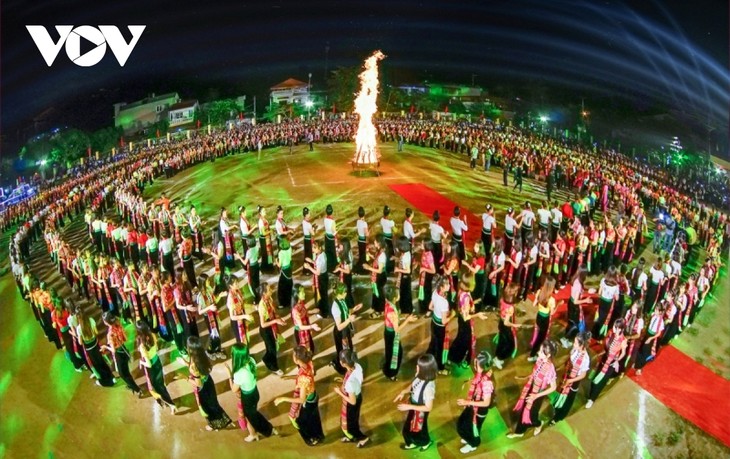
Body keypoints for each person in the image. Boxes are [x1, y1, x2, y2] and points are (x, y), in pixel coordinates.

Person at [274, 346, 325, 446]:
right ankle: (319, 436)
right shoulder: (309, 364)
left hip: (309, 402)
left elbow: (301, 400)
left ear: (297, 360)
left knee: (300, 422)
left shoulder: (303, 378)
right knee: (315, 418)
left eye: (293, 355)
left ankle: (311, 439)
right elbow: (307, 376)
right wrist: (292, 377)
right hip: (314, 396)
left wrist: (283, 398)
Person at [227, 343, 276, 441]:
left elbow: (234, 389)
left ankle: (262, 432)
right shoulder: (251, 360)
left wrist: (229, 374)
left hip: (247, 397)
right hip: (254, 392)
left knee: (251, 417)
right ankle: (265, 429)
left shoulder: (239, 372)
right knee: (253, 414)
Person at [508, 340, 557, 438]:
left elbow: (553, 387)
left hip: (538, 394)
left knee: (531, 415)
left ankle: (538, 424)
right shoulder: (540, 360)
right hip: (532, 388)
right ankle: (519, 432)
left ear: (548, 355)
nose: (538, 352)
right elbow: (536, 373)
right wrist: (525, 377)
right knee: (524, 411)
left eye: (541, 351)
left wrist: (536, 396)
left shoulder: (549, 369)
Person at [186, 336, 233, 431]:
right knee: (214, 403)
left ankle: (214, 424)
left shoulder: (193, 365)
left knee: (207, 407)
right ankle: (224, 420)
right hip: (209, 382)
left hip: (203, 389)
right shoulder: (202, 355)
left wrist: (185, 378)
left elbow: (199, 384)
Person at [395, 354, 438, 451]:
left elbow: (428, 407)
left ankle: (425, 443)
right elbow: (413, 385)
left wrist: (409, 406)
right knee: (408, 428)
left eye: (419, 366)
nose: (416, 367)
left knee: (417, 431)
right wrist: (403, 392)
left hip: (420, 411)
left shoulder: (429, 388)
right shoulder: (419, 376)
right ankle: (411, 443)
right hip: (413, 407)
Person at [456, 351, 495, 454]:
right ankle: (469, 438)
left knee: (472, 428)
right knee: (464, 424)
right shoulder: (483, 374)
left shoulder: (487, 382)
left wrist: (467, 401)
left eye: (476, 364)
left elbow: (486, 403)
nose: (474, 365)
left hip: (478, 410)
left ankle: (473, 444)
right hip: (473, 405)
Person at [136, 320, 177, 413]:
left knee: (154, 388)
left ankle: (170, 404)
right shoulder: (152, 335)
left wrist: (141, 362)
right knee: (161, 385)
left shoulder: (142, 346)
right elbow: (157, 348)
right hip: (157, 362)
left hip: (151, 369)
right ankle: (168, 402)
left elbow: (148, 364)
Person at [551, 332, 591, 424]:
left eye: (576, 343)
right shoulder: (575, 350)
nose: (574, 344)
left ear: (582, 345)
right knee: (561, 393)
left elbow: (583, 375)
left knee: (567, 400)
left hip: (573, 382)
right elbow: (569, 359)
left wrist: (571, 380)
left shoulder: (585, 359)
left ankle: (558, 417)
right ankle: (557, 409)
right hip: (567, 376)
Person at [586, 319, 627, 408]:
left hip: (610, 364)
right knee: (595, 379)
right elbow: (605, 343)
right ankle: (590, 395)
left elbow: (623, 353)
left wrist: (617, 359)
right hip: (604, 359)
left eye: (616, 327)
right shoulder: (610, 333)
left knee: (599, 383)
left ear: (620, 329)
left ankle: (592, 399)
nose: (613, 328)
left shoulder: (623, 340)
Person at [448, 274, 487, 367]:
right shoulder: (465, 297)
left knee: (461, 338)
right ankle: (457, 358)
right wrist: (478, 314)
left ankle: (452, 356)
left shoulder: (462, 290)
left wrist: (473, 302)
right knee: (465, 341)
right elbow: (466, 317)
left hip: (461, 320)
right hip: (465, 322)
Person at [334, 349, 370, 448]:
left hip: (352, 401)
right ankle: (351, 436)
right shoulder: (357, 366)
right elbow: (356, 380)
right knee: (353, 420)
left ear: (342, 363)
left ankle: (362, 438)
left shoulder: (350, 383)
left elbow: (352, 402)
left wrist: (339, 392)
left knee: (351, 425)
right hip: (357, 394)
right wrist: (344, 381)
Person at [103, 312, 142, 396]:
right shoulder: (119, 325)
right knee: (126, 371)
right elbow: (125, 338)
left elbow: (113, 350)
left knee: (122, 374)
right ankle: (130, 385)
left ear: (106, 322)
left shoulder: (110, 334)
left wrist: (105, 347)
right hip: (124, 350)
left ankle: (137, 389)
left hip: (118, 354)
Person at [75, 305, 115, 387]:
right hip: (95, 343)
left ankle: (106, 381)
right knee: (101, 360)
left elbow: (80, 342)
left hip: (89, 348)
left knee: (96, 364)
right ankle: (111, 376)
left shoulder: (79, 328)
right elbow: (96, 332)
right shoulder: (91, 320)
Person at [383, 286, 417, 381]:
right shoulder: (392, 311)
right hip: (392, 335)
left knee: (390, 352)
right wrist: (407, 320)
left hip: (387, 332)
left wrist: (400, 319)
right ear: (395, 298)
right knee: (396, 354)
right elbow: (397, 329)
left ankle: (388, 369)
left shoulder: (388, 303)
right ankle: (391, 373)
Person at [330, 283, 363, 374]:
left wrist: (354, 309)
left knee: (348, 349)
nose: (346, 294)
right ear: (340, 293)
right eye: (344, 292)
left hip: (346, 330)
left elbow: (346, 311)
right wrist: (349, 319)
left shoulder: (342, 300)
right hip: (341, 333)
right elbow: (339, 326)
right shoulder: (335, 307)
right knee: (343, 352)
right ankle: (343, 369)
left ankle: (350, 365)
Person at [426, 277, 455, 375]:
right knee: (440, 348)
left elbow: (430, 307)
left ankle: (428, 358)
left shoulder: (435, 292)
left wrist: (437, 311)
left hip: (433, 322)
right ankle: (440, 368)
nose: (449, 286)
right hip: (439, 327)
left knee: (433, 342)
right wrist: (452, 315)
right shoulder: (444, 302)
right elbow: (443, 321)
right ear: (442, 288)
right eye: (447, 285)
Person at [257, 283, 286, 375]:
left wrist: (279, 319)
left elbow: (273, 312)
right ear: (264, 293)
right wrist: (276, 321)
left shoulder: (269, 299)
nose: (271, 290)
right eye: (269, 289)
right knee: (272, 349)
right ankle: (273, 367)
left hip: (271, 326)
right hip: (266, 330)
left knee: (272, 347)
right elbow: (263, 324)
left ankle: (266, 358)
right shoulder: (262, 305)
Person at [493, 283, 524, 369]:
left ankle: (497, 357)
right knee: (510, 345)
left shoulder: (502, 299)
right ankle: (498, 358)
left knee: (502, 342)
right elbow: (507, 322)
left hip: (501, 322)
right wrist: (515, 325)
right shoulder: (510, 308)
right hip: (505, 326)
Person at [560, 266, 592, 348]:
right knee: (574, 325)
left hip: (571, 303)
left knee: (571, 323)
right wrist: (586, 301)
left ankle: (566, 338)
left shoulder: (575, 279)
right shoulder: (579, 285)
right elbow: (576, 301)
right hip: (574, 307)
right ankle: (565, 338)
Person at [528, 276, 557, 361]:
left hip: (539, 316)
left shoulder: (539, 292)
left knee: (538, 332)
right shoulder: (551, 300)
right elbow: (552, 312)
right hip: (545, 319)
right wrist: (559, 304)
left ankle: (534, 349)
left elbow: (534, 304)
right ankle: (532, 355)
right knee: (541, 337)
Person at [291, 284, 321, 353]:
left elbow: (303, 312)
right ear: (297, 294)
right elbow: (301, 326)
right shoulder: (295, 310)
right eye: (302, 292)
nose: (304, 294)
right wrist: (312, 326)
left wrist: (311, 311)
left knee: (310, 349)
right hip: (301, 333)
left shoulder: (301, 303)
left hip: (305, 330)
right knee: (305, 352)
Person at [592, 266, 620, 340]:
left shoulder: (603, 280)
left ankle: (594, 332)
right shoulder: (616, 285)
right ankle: (600, 335)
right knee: (605, 319)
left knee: (599, 316)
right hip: (608, 303)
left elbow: (599, 292)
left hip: (602, 301)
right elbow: (617, 298)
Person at [363, 235, 387, 318]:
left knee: (379, 294)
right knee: (375, 293)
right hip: (377, 277)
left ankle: (380, 311)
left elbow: (380, 270)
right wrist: (370, 255)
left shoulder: (382, 255)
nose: (374, 243)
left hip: (379, 277)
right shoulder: (379, 252)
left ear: (379, 243)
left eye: (375, 241)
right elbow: (376, 259)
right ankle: (375, 308)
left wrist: (369, 267)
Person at [305, 240, 329, 318]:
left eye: (314, 248)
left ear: (320, 248)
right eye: (312, 247)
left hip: (320, 279)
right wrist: (312, 261)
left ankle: (322, 312)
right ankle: (323, 310)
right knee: (323, 295)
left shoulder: (319, 259)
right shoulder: (322, 254)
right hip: (324, 276)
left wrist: (309, 267)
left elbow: (317, 272)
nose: (313, 249)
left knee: (320, 296)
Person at [394, 236, 414, 315]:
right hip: (404, 277)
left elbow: (408, 270)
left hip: (405, 277)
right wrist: (397, 258)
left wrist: (398, 270)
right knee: (404, 294)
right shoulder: (405, 253)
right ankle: (405, 310)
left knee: (405, 295)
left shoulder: (406, 256)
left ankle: (407, 311)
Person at [275, 237, 293, 310]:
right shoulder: (290, 249)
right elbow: (290, 259)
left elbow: (279, 265)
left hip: (284, 271)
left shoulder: (281, 253)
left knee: (282, 288)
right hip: (289, 269)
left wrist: (276, 261)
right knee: (289, 286)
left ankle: (282, 303)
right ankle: (289, 302)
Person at [323, 204, 338, 272]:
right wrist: (337, 236)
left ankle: (328, 266)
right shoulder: (332, 221)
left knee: (328, 252)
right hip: (331, 238)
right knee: (333, 253)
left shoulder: (325, 219)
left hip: (326, 237)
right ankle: (333, 267)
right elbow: (333, 231)